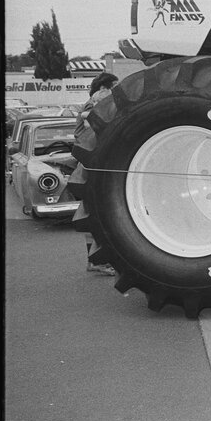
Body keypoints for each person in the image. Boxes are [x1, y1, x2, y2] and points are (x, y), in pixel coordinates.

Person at [77, 72, 119, 277]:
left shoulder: (93, 100)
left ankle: (94, 260)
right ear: (105, 87)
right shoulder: (98, 100)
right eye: (115, 86)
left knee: (90, 210)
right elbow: (91, 126)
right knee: (97, 210)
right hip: (93, 162)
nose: (117, 90)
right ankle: (96, 261)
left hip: (88, 161)